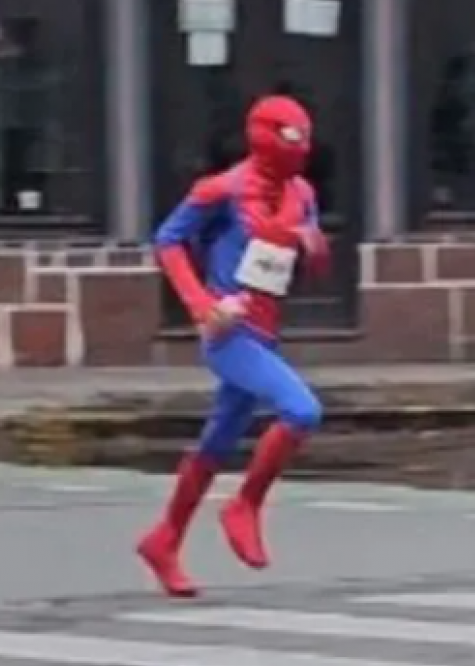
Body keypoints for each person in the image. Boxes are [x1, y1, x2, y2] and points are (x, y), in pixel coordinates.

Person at [136, 94, 331, 598]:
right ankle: (245, 502)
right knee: (302, 411)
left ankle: (164, 540)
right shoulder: (221, 190)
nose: (298, 151)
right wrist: (203, 305)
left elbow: (310, 262)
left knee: (216, 443)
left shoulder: (302, 194)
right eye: (289, 140)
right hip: (228, 335)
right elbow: (168, 240)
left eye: (303, 141)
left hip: (265, 334)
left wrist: (313, 245)